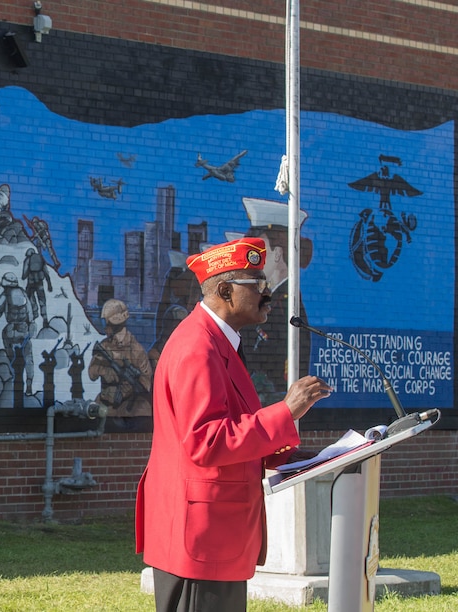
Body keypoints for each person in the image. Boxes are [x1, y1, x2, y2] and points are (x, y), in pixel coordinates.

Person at [135, 237, 332, 612]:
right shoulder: (198, 347)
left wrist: (306, 458)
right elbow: (207, 442)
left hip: (212, 533)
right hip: (200, 536)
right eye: (258, 286)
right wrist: (285, 411)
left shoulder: (218, 341)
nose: (268, 297)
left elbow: (232, 428)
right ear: (225, 291)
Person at [241, 198, 313, 404]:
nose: (253, 261)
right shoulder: (273, 298)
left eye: (259, 253)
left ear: (278, 254)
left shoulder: (284, 305)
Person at [88, 299, 152, 421]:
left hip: (130, 407)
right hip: (105, 404)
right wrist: (105, 371)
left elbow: (146, 382)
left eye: (107, 323)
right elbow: (92, 372)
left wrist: (127, 389)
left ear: (115, 323)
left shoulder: (136, 350)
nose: (106, 327)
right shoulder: (104, 346)